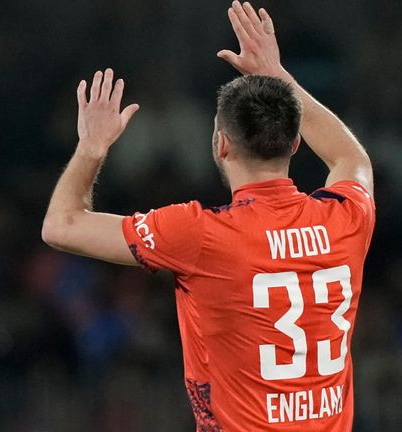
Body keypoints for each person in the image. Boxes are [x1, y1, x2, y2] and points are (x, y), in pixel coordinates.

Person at [42, 1, 373, 430]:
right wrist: (280, 78)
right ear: (294, 145)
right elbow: (353, 157)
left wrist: (91, 148)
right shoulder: (347, 218)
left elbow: (60, 226)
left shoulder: (200, 234)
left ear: (220, 144)